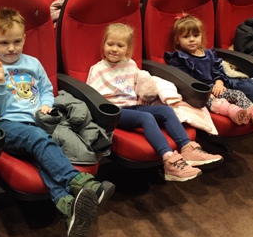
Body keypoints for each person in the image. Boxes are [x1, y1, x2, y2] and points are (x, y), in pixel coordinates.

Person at [0, 7, 115, 237]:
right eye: (3, 43)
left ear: (25, 39)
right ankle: (79, 181)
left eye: (16, 41)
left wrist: (46, 104)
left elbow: (45, 89)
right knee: (38, 139)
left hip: (39, 122)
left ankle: (66, 205)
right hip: (9, 125)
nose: (11, 48)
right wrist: (0, 82)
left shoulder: (33, 63)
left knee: (42, 156)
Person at [87, 23, 223, 181]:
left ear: (128, 49)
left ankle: (187, 148)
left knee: (166, 111)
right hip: (115, 112)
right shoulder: (97, 69)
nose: (114, 49)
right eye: (110, 44)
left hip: (133, 106)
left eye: (120, 45)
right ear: (103, 45)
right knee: (146, 117)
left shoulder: (130, 64)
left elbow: (140, 85)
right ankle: (169, 161)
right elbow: (92, 97)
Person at [164, 14, 253, 137]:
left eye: (196, 35)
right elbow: (183, 79)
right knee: (219, 103)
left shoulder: (208, 54)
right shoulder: (180, 58)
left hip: (216, 88)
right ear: (177, 40)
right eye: (186, 36)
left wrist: (219, 81)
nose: (192, 39)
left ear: (201, 36)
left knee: (238, 94)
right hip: (200, 95)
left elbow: (217, 69)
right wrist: (205, 92)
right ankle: (235, 113)